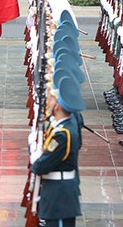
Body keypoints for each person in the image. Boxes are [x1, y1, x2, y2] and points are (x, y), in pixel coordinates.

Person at [30, 75, 84, 226]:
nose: (48, 101)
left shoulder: (62, 135)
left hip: (59, 197)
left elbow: (41, 166)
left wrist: (36, 156)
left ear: (58, 105)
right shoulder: (62, 129)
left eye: (51, 98)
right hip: (58, 193)